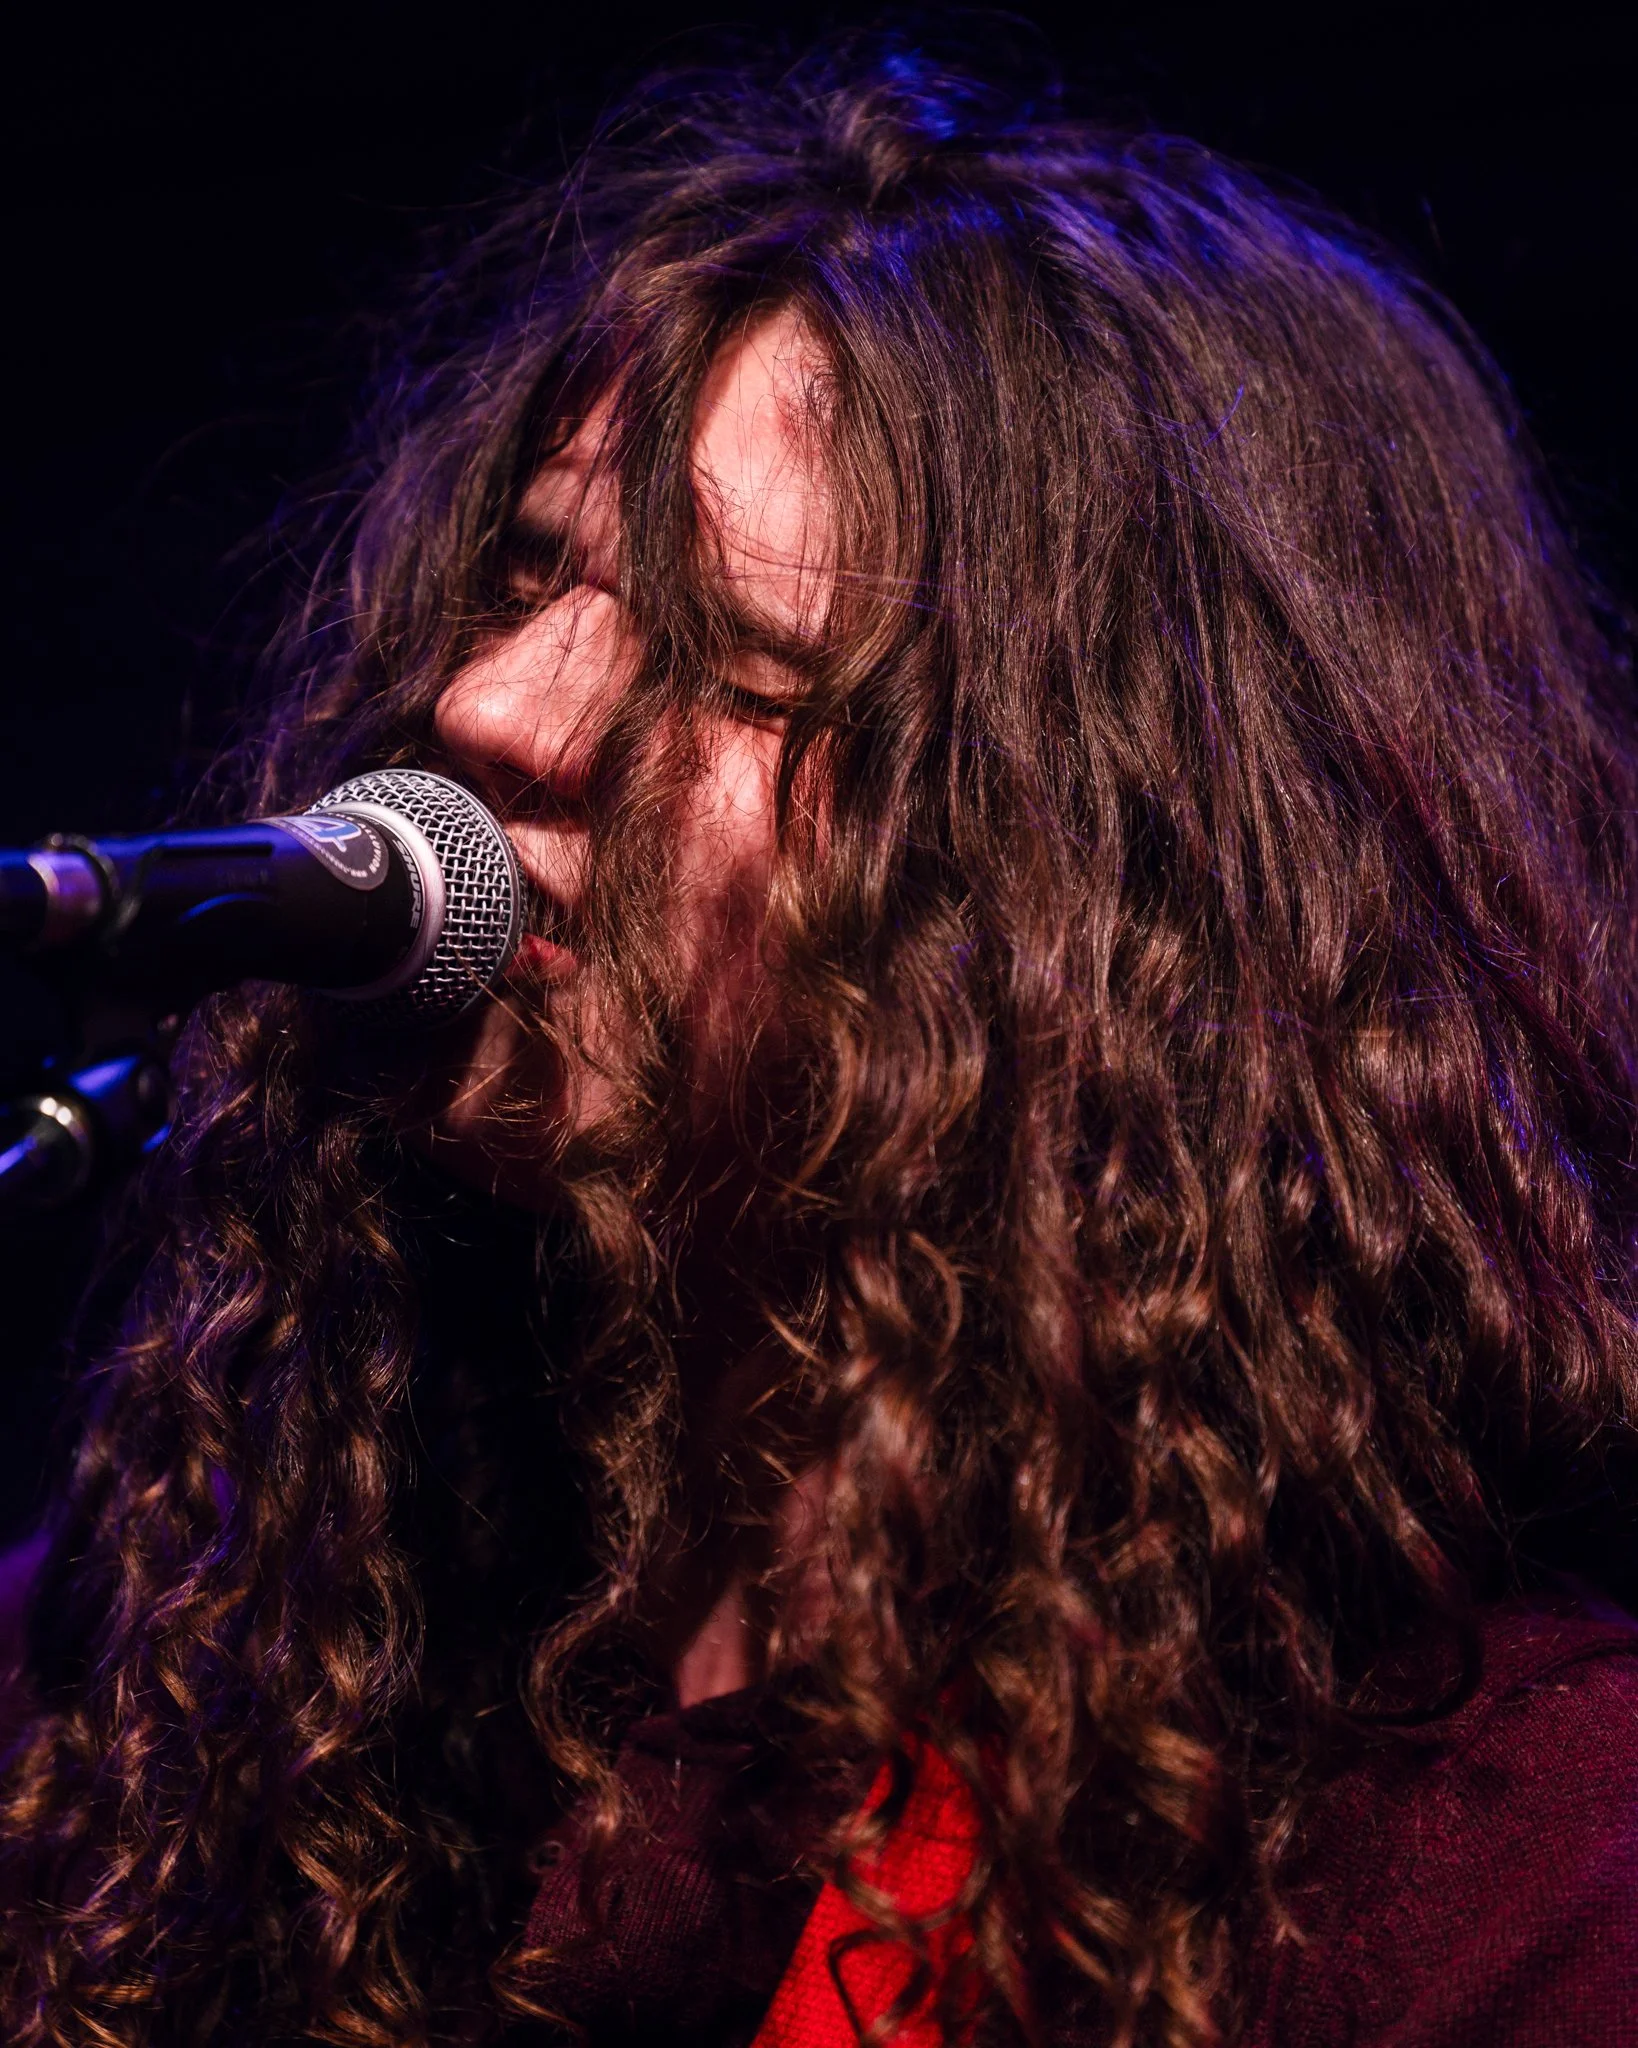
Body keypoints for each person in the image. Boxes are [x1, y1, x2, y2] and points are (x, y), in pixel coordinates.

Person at [3, 36, 1638, 2048]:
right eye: (525, 579)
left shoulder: (1496, 1869)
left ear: (1074, 884)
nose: (504, 712)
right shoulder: (180, 1686)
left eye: (724, 667)